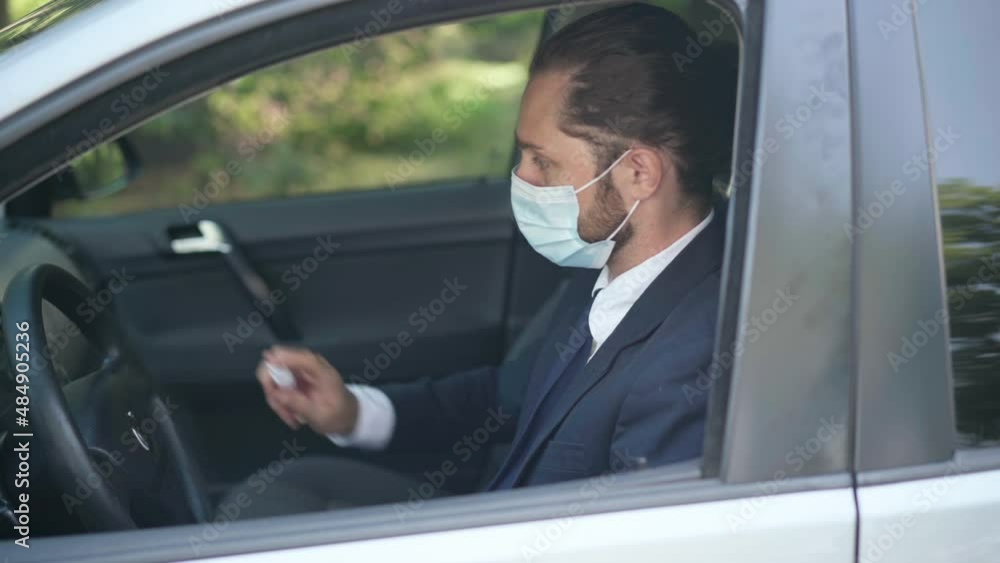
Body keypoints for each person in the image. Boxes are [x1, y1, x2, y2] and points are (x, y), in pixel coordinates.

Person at [221, 2, 736, 519]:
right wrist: (352, 413)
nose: (522, 178)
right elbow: (505, 397)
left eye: (542, 160)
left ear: (639, 174)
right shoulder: (610, 271)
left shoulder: (691, 362)